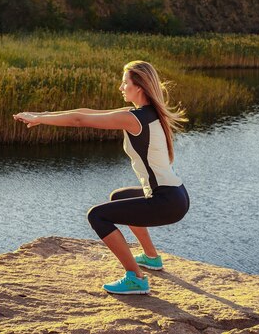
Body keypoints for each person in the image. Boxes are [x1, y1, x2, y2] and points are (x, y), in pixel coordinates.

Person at [13, 60, 190, 295]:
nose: (121, 87)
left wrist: (40, 119)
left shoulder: (133, 118)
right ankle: (151, 257)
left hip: (167, 201)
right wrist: (39, 115)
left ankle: (136, 278)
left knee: (97, 215)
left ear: (139, 87)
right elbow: (86, 113)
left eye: (124, 82)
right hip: (177, 195)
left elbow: (79, 120)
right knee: (119, 197)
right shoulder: (147, 114)